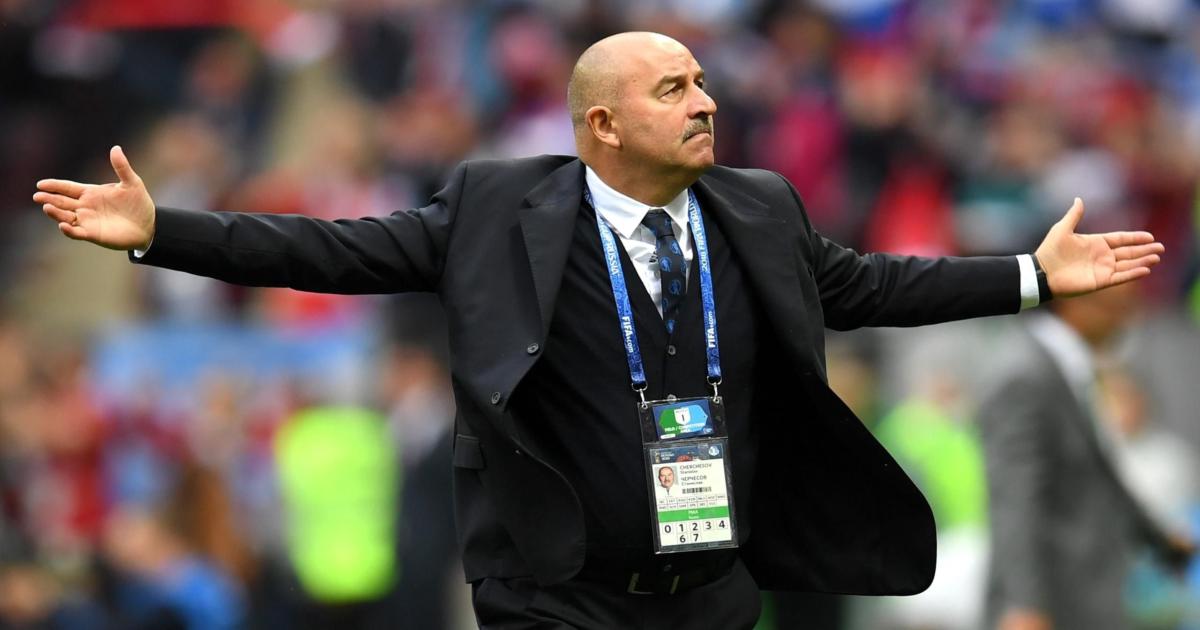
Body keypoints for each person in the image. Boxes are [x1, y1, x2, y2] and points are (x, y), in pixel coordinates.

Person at [33, 31, 1166, 629]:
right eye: (674, 90)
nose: (706, 102)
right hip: (554, 598)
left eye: (703, 82)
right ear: (602, 125)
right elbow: (330, 252)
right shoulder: (495, 209)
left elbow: (869, 286)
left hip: (713, 591)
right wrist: (161, 231)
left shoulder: (759, 207)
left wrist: (1033, 276)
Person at [979, 283, 1191, 630]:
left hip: (1085, 598)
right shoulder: (1024, 374)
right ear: (1075, 299)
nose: (1125, 321)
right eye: (1117, 306)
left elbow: (1099, 472)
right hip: (1051, 606)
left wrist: (1161, 541)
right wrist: (1024, 606)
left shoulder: (1067, 366)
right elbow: (1014, 500)